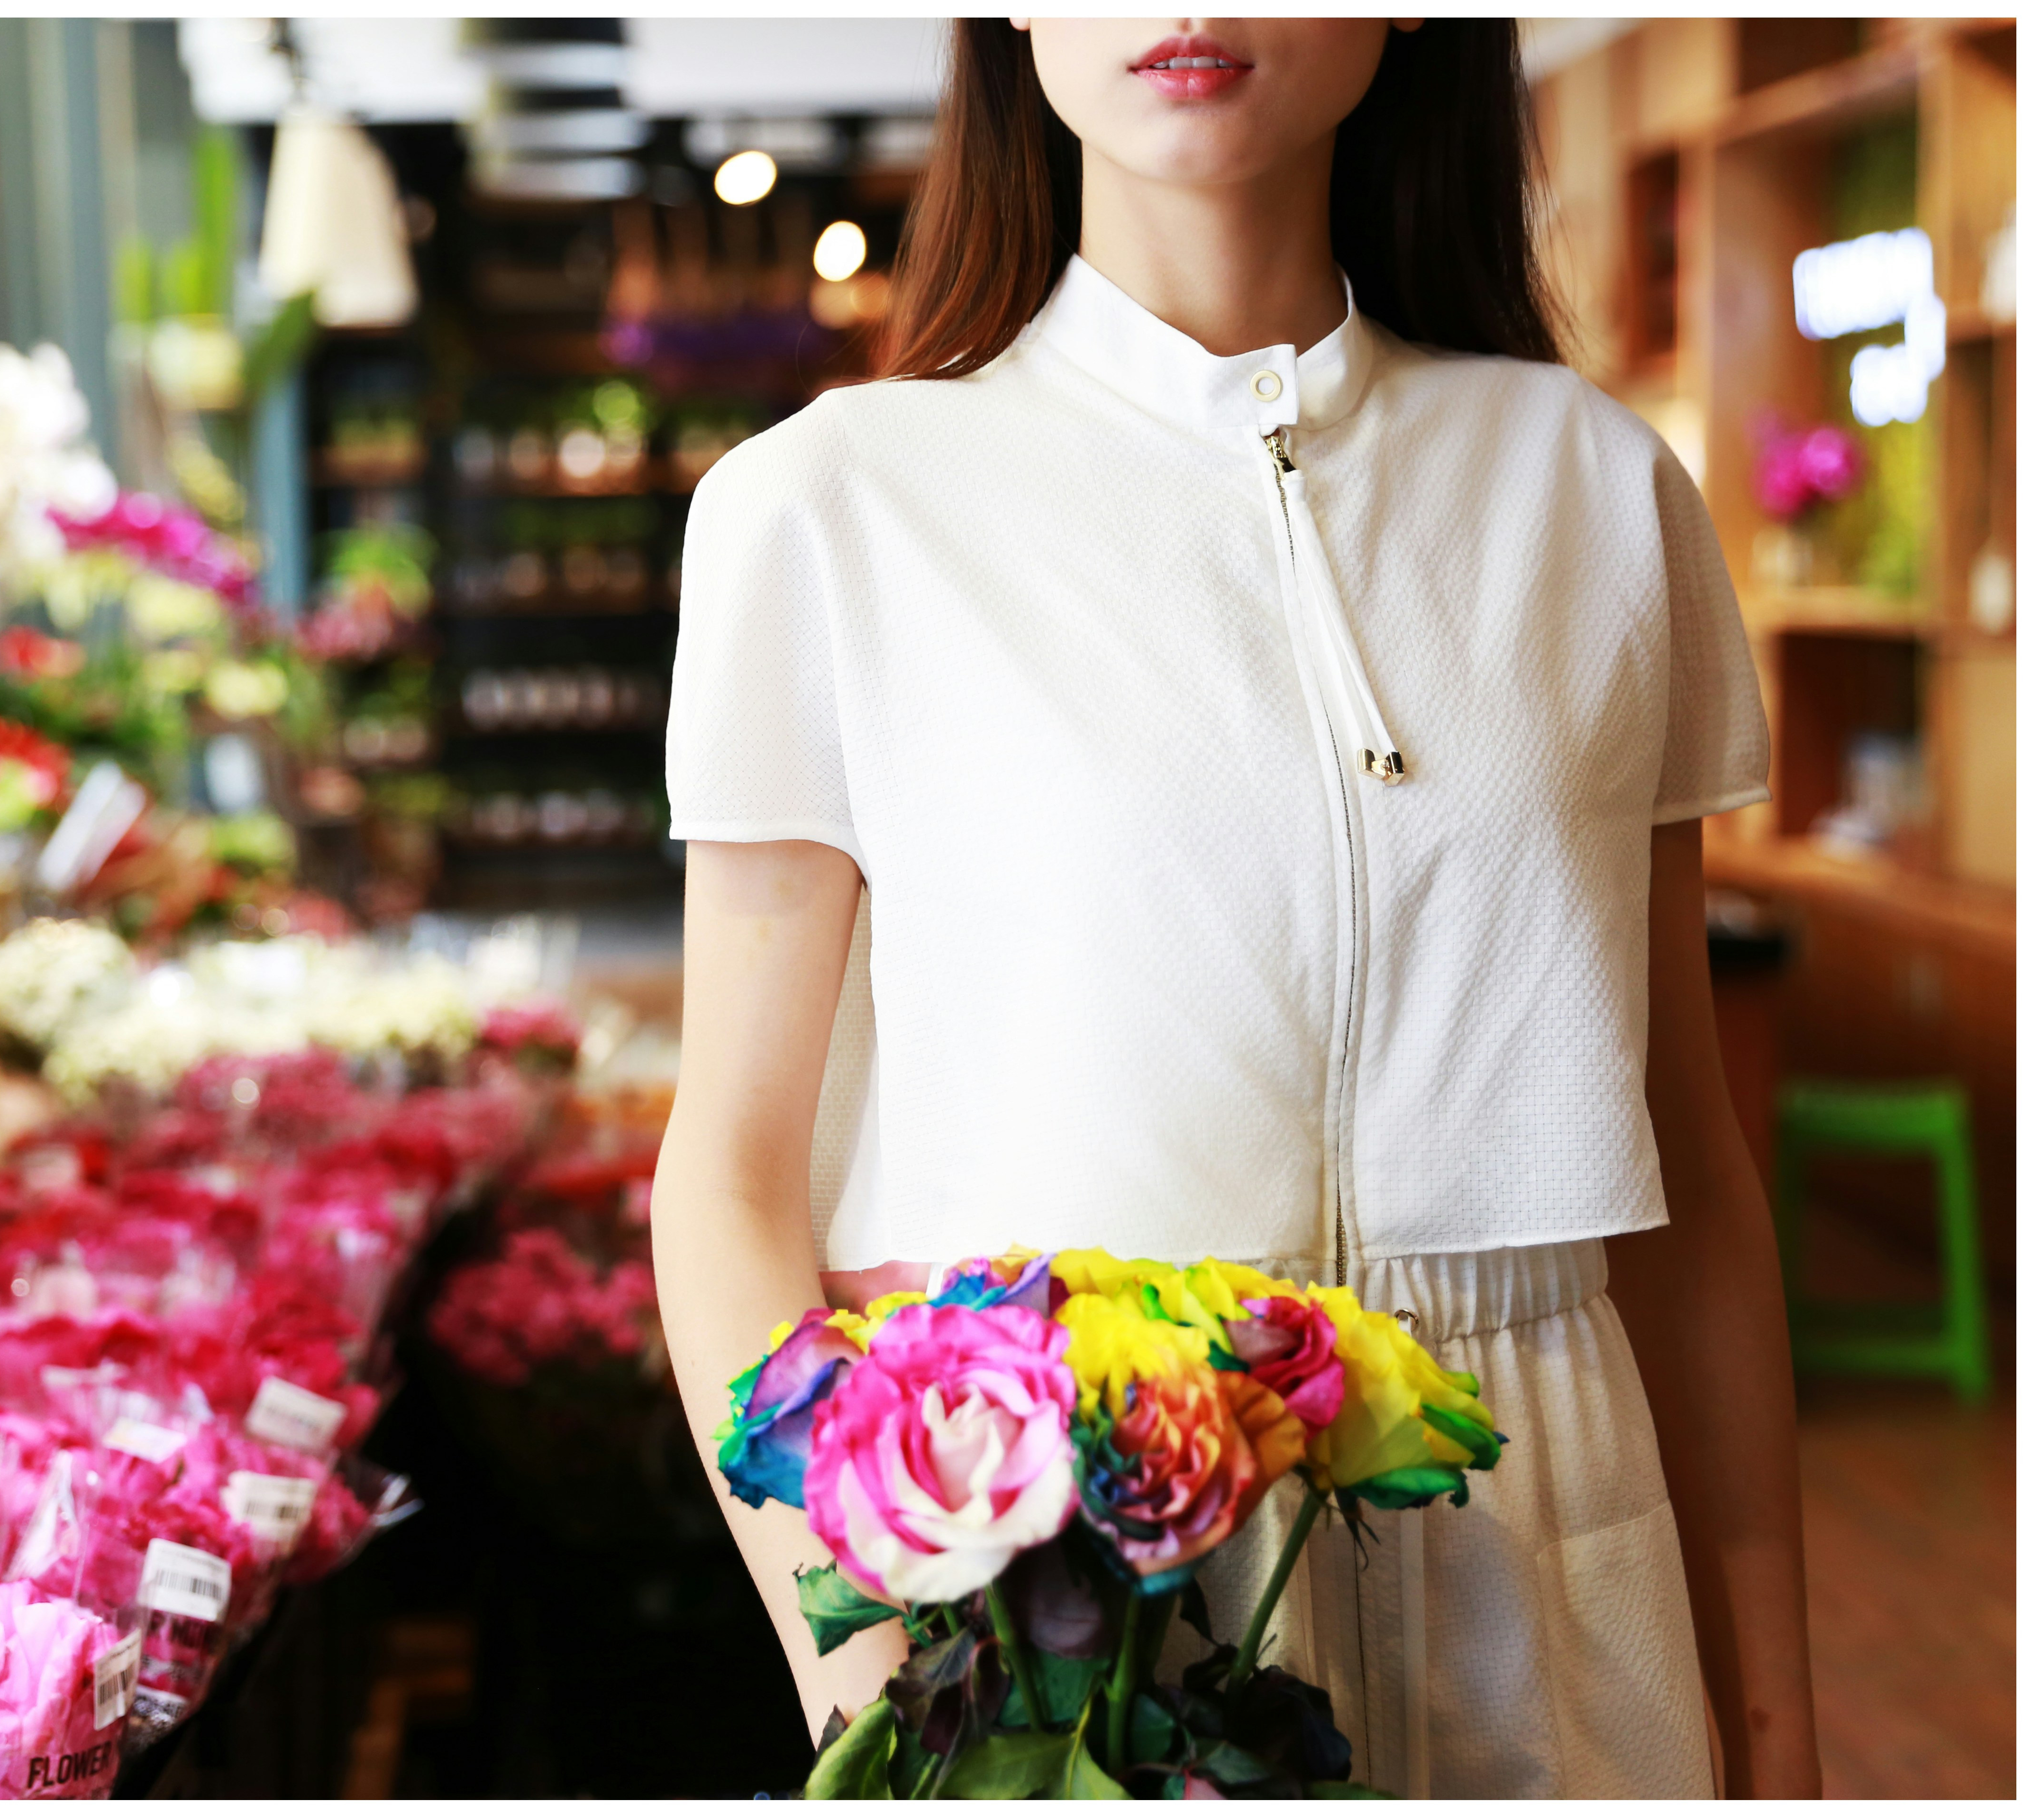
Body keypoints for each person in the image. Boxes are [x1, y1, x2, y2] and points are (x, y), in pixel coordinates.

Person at [651, 17, 1820, 1800]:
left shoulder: (1597, 490)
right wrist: (893, 1704)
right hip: (1080, 1625)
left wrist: (1772, 1734)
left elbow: (1689, 1176)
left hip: (1569, 1588)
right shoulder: (829, 511)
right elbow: (728, 1176)